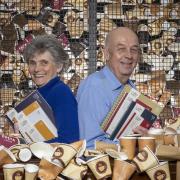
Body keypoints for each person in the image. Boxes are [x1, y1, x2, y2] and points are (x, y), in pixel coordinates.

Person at [76, 27, 148, 149]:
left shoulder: (131, 88)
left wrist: (144, 137)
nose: (129, 55)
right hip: (101, 166)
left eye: (134, 50)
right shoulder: (94, 87)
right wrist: (132, 145)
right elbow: (90, 146)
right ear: (107, 54)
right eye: (121, 49)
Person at [23, 34, 79, 143]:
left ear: (59, 66)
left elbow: (69, 141)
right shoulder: (40, 94)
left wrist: (29, 146)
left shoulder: (61, 93)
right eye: (32, 63)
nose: (37, 69)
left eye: (44, 63)